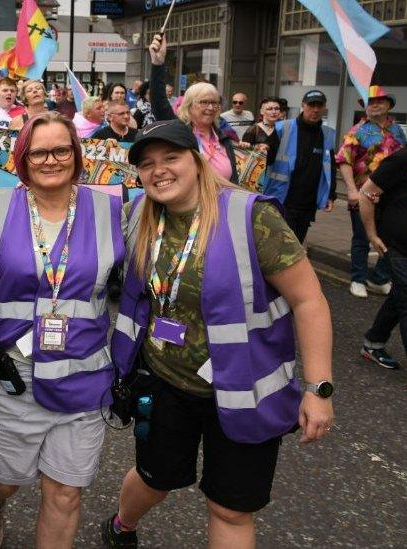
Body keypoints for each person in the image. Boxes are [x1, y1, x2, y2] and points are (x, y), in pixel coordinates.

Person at [102, 119, 334, 548]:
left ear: (198, 159)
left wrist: (318, 388)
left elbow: (309, 300)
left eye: (171, 158)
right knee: (154, 480)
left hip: (244, 387)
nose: (159, 171)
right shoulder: (137, 213)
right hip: (166, 381)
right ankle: (122, 525)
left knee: (230, 508)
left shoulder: (252, 215)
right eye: (147, 164)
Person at [0, 111, 124, 549]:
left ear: (76, 155)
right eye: (39, 151)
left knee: (65, 493)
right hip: (11, 376)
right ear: (22, 158)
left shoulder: (112, 210)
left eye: (61, 150)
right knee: (5, 480)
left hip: (83, 376)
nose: (50, 160)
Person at [357, 110, 407, 392]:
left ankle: (373, 342)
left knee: (402, 297)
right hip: (400, 248)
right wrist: (371, 235)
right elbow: (367, 193)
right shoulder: (402, 159)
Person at [336, 85, 407, 298]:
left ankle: (379, 278)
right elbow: (344, 161)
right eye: (370, 102)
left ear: (388, 105)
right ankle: (358, 278)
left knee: (390, 237)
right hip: (363, 194)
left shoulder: (397, 130)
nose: (374, 105)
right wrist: (351, 190)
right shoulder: (357, 131)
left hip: (391, 196)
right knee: (361, 238)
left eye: (379, 101)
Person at [148, 35, 239, 182]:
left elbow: (234, 178)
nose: (210, 107)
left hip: (221, 203)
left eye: (214, 103)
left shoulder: (222, 137)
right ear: (189, 105)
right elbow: (159, 102)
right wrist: (158, 63)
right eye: (204, 102)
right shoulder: (179, 131)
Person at [265, 89, 338, 243]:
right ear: (303, 106)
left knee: (296, 245)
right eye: (311, 105)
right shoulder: (282, 128)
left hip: (308, 204)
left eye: (320, 106)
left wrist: (331, 195)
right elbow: (265, 159)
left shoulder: (327, 134)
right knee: (282, 247)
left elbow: (330, 166)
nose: (316, 110)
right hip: (283, 199)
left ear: (325, 107)